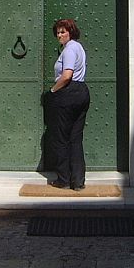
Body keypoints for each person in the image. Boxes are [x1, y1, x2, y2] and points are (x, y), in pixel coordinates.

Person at [45, 18, 89, 191]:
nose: (59, 35)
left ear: (71, 32)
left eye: (63, 32)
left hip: (69, 93)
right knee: (76, 138)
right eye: (58, 32)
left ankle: (63, 179)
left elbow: (67, 75)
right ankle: (78, 182)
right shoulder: (79, 48)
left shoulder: (69, 49)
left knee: (62, 138)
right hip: (81, 91)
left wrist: (53, 91)